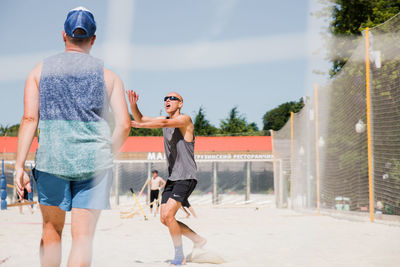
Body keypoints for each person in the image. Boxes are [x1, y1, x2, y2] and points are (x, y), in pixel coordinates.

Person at [14, 7, 130, 267]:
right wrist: (106, 154)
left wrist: (19, 165)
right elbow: (124, 125)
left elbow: (30, 119)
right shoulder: (109, 76)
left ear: (64, 35)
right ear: (93, 39)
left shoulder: (39, 71)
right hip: (94, 164)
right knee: (82, 239)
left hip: (52, 161)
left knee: (52, 231)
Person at [127, 90, 206, 265]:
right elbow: (141, 119)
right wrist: (133, 106)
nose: (168, 100)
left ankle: (179, 256)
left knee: (169, 215)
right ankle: (198, 240)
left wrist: (138, 125)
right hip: (173, 178)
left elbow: (160, 122)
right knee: (164, 218)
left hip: (186, 176)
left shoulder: (185, 120)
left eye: (172, 98)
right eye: (165, 98)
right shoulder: (166, 121)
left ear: (180, 103)